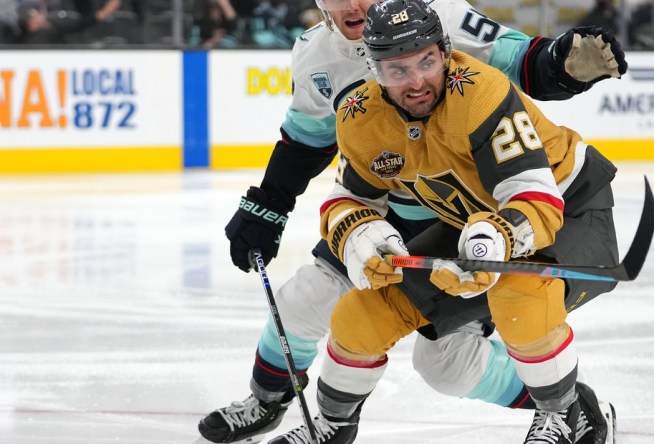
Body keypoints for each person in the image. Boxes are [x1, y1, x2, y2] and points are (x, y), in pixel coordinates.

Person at [197, 0, 625, 443]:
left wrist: (557, 65)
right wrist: (272, 203)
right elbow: (308, 143)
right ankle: (275, 404)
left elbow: (521, 63)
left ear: (441, 51)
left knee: (472, 341)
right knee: (311, 302)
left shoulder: (442, 23)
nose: (354, 4)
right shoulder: (323, 66)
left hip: (493, 201)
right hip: (426, 203)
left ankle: (565, 407)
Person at [15, 0, 122, 44]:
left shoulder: (51, 28)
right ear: (31, 25)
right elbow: (78, 25)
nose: (39, 15)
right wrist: (105, 12)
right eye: (34, 16)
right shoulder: (43, 35)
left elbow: (78, 25)